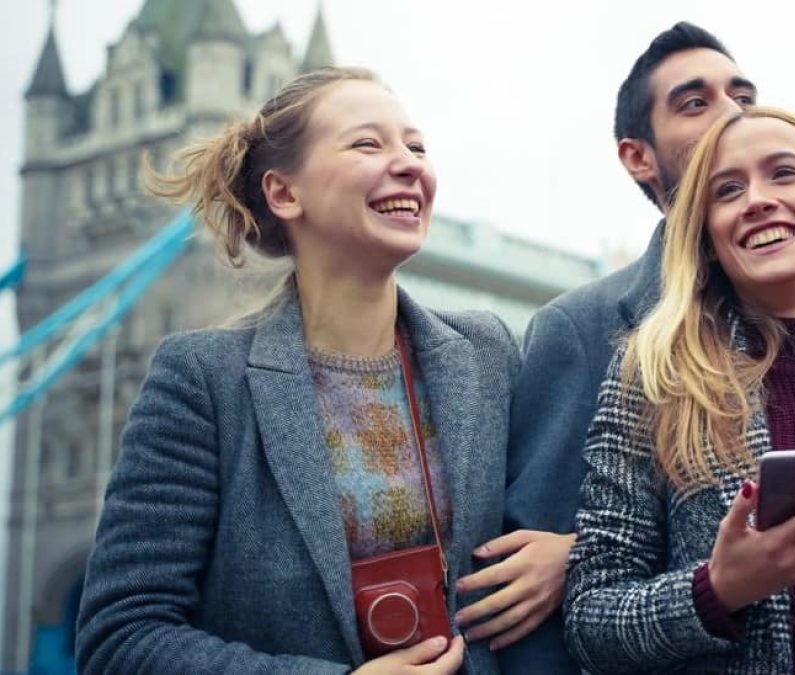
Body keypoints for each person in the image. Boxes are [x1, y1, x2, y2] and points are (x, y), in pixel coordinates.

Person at [75, 66, 558, 674]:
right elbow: (121, 638)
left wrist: (569, 555)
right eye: (367, 143)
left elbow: (576, 526)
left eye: (417, 146)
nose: (409, 163)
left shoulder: (488, 353)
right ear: (284, 193)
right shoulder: (201, 380)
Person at [565, 106, 795, 673]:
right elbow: (591, 622)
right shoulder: (654, 378)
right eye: (727, 190)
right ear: (707, 233)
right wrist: (718, 588)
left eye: (784, 173)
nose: (758, 199)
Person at [480, 22, 758, 672]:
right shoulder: (579, 328)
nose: (733, 114)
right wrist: (580, 550)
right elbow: (531, 585)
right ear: (638, 156)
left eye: (743, 95)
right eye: (696, 102)